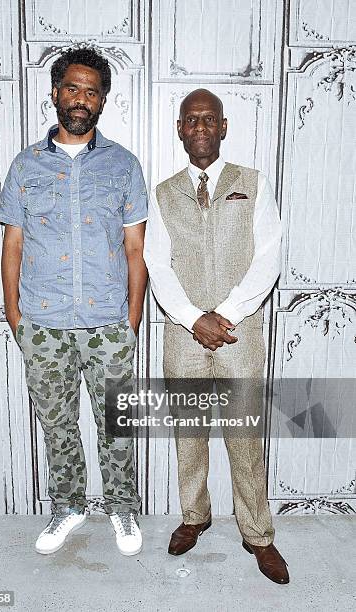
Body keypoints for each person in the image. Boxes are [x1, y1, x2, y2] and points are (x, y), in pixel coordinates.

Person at [0, 46, 148, 557]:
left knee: (115, 423)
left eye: (92, 91)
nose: (81, 99)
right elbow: (12, 245)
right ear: (55, 94)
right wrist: (17, 319)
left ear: (102, 101)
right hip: (45, 324)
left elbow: (135, 250)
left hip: (107, 324)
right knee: (57, 424)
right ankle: (69, 505)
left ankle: (122, 506)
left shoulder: (124, 165)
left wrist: (129, 322)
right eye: (73, 88)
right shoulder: (26, 165)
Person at [144, 89, 289, 584]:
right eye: (191, 120)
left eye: (209, 119)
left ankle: (258, 535)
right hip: (183, 333)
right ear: (180, 129)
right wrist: (191, 317)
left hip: (239, 333)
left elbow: (268, 257)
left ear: (223, 127)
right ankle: (195, 516)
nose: (200, 127)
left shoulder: (253, 183)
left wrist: (223, 314)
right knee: (189, 434)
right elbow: (155, 264)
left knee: (245, 436)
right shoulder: (162, 193)